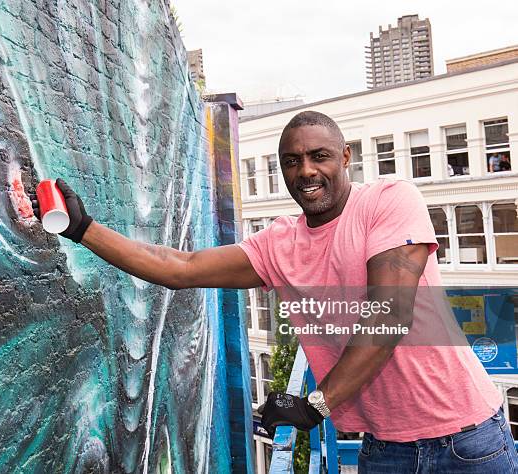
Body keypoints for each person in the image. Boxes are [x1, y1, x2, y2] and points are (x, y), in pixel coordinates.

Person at [31, 111, 517, 473]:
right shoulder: (280, 243)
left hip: (467, 442)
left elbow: (388, 315)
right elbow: (181, 267)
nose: (306, 170)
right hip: (384, 448)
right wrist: (82, 229)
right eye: (292, 161)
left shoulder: (389, 201)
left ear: (345, 157)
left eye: (319, 156)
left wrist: (315, 405)